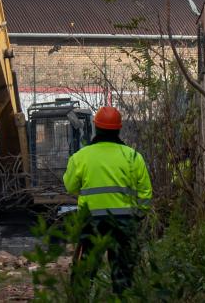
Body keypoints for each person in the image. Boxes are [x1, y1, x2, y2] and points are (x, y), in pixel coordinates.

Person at [62, 105, 152, 295]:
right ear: (119, 129)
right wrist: (138, 216)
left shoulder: (80, 157)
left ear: (96, 127)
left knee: (84, 274)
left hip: (92, 223)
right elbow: (145, 194)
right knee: (123, 276)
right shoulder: (133, 157)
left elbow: (70, 187)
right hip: (124, 223)